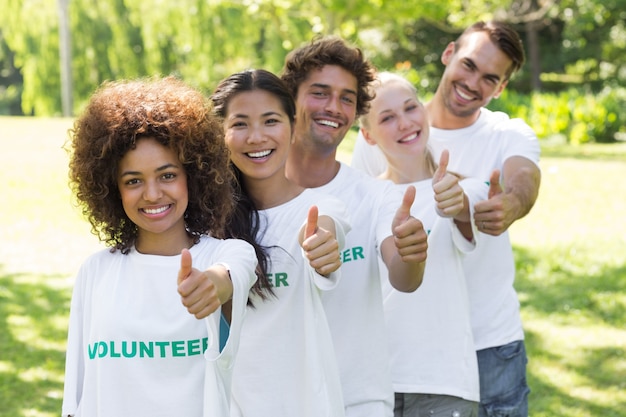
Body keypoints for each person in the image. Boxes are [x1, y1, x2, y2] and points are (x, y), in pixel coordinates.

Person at [351, 21, 541, 417]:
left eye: (490, 78)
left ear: (501, 88)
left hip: (489, 341)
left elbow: (523, 179)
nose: (474, 83)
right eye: (469, 65)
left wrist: (510, 203)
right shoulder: (385, 132)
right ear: (449, 53)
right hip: (407, 348)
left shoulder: (507, 134)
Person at [61, 76, 259, 417]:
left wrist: (212, 284)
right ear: (113, 189)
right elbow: (77, 394)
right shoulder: (96, 271)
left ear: (193, 176)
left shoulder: (225, 255)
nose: (152, 194)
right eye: (134, 180)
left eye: (167, 175)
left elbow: (232, 274)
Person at [281, 36, 429, 417]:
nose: (334, 107)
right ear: (289, 99)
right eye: (320, 93)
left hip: (359, 400)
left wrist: (412, 253)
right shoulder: (250, 196)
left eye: (347, 98)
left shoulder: (377, 196)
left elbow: (403, 277)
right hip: (278, 400)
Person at [211, 68, 351, 417]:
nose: (256, 137)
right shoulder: (205, 225)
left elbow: (323, 232)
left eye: (270, 121)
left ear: (293, 127)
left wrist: (321, 247)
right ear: (220, 133)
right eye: (240, 124)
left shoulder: (320, 209)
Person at [359, 71, 490, 417]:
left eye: (410, 108)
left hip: (442, 382)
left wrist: (455, 201)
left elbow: (466, 206)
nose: (404, 123)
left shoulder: (465, 188)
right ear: (367, 136)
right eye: (387, 117)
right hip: (371, 383)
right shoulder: (362, 198)